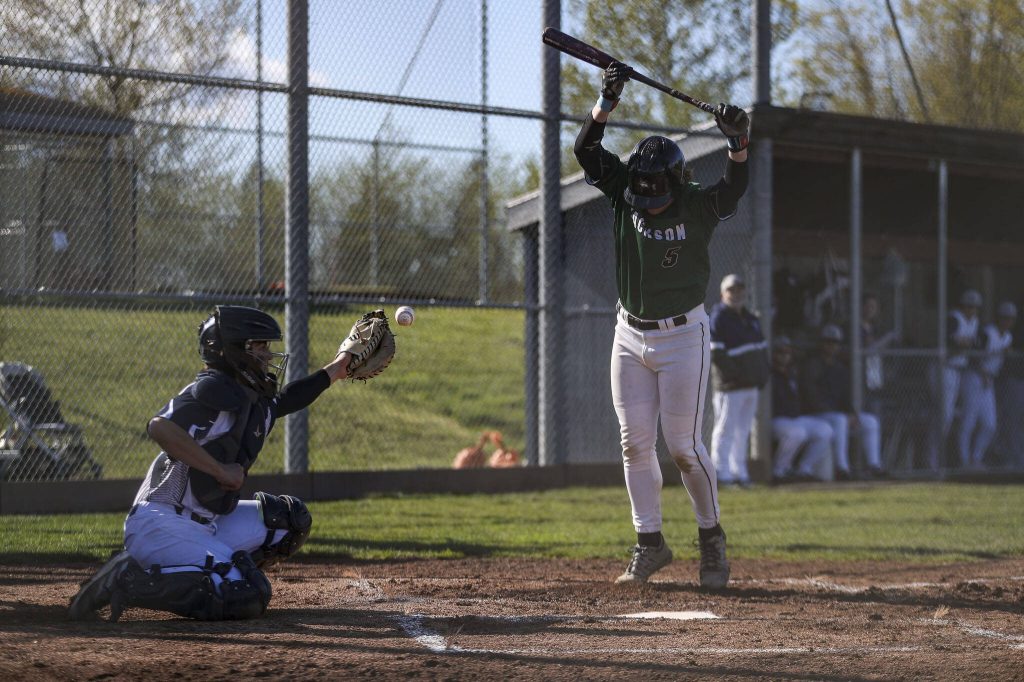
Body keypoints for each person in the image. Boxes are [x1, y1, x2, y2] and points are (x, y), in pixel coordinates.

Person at [69, 305, 392, 621]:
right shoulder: (211, 391)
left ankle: (209, 573)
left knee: (286, 521)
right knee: (246, 595)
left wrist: (340, 366)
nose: (267, 354)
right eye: (259, 346)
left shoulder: (248, 398)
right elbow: (161, 427)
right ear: (234, 350)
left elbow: (290, 398)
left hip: (204, 522)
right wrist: (219, 470)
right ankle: (129, 579)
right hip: (161, 524)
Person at [573, 60, 749, 587]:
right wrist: (606, 102)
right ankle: (649, 543)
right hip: (628, 335)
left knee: (684, 447)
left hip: (683, 337)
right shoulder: (626, 188)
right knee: (633, 442)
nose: (647, 205)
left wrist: (738, 142)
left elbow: (734, 188)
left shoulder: (696, 203)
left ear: (678, 180)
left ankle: (711, 538)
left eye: (657, 195)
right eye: (641, 196)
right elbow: (585, 150)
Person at [801, 324, 885, 480]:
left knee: (870, 421)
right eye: (828, 342)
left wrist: (851, 413)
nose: (831, 346)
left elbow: (846, 396)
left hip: (836, 414)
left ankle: (874, 465)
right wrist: (839, 413)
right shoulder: (812, 365)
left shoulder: (840, 368)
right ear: (821, 343)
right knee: (840, 420)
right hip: (816, 414)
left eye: (835, 343)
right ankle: (842, 468)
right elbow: (810, 395)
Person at [710, 273, 770, 487]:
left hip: (750, 385)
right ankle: (721, 473)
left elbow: (761, 350)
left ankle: (739, 472)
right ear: (722, 293)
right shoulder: (718, 317)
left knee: (743, 431)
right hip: (730, 386)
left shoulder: (751, 318)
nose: (736, 294)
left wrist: (762, 375)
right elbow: (716, 354)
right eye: (731, 290)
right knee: (725, 429)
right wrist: (736, 375)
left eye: (739, 290)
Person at [958, 301, 1016, 469]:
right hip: (973, 377)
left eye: (1010, 319)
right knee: (968, 421)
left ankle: (976, 458)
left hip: (988, 380)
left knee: (990, 424)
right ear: (998, 318)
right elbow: (972, 356)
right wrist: (981, 371)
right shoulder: (987, 333)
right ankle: (964, 461)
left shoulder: (1008, 337)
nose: (1007, 322)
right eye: (1004, 318)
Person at [770, 336, 833, 482]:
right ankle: (780, 470)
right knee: (797, 433)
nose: (784, 356)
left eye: (787, 353)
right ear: (773, 354)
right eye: (780, 352)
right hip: (777, 419)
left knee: (825, 430)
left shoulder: (792, 373)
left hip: (795, 418)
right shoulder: (770, 373)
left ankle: (804, 469)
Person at [941, 289, 983, 444]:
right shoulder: (953, 318)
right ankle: (932, 458)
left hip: (958, 370)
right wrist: (960, 344)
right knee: (944, 414)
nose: (972, 310)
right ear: (962, 306)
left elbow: (977, 344)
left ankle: (937, 457)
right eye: (969, 306)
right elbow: (945, 343)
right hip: (944, 368)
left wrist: (965, 343)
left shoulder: (975, 322)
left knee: (949, 414)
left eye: (975, 307)